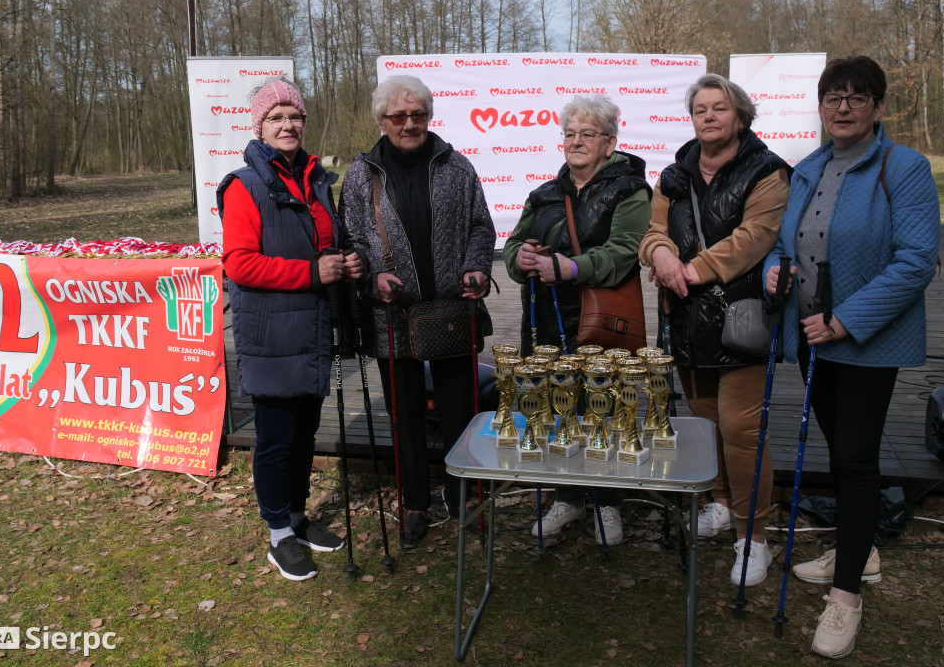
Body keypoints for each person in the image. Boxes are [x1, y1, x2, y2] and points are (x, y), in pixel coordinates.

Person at [764, 56, 939, 658]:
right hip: (814, 339)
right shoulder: (808, 168)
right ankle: (858, 551)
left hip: (864, 341)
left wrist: (845, 321)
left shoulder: (905, 167)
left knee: (859, 458)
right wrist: (773, 274)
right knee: (840, 450)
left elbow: (916, 261)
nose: (843, 107)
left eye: (857, 98)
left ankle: (846, 599)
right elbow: (783, 246)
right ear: (819, 107)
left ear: (878, 108)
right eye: (833, 97)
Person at [639, 73, 790, 585]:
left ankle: (754, 537)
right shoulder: (673, 176)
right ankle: (721, 503)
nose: (708, 116)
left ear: (741, 117)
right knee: (704, 426)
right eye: (700, 108)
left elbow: (754, 237)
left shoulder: (767, 172)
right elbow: (655, 232)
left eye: (719, 108)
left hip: (741, 321)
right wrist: (660, 254)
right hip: (685, 322)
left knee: (743, 432)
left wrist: (690, 270)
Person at [217, 76, 365, 581]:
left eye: (295, 115)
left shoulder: (317, 179)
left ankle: (298, 519)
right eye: (276, 116)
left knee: (304, 433)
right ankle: (278, 532)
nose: (288, 124)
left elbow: (328, 243)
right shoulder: (245, 185)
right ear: (259, 125)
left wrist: (348, 262)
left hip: (314, 329)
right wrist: (311, 273)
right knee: (277, 439)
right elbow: (239, 264)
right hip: (272, 335)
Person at [339, 75, 495, 549]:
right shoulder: (359, 177)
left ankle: (463, 494)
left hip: (452, 310)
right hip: (392, 316)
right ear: (381, 121)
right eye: (398, 116)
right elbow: (352, 243)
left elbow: (480, 228)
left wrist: (476, 268)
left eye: (418, 115)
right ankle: (415, 504)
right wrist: (370, 278)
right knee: (404, 416)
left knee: (461, 411)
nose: (409, 124)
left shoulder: (457, 167)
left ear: (429, 116)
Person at [503, 95, 651, 546]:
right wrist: (521, 257)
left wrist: (571, 268)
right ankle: (568, 496)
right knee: (555, 409)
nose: (577, 142)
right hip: (546, 323)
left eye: (588, 134)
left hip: (600, 323)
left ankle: (608, 502)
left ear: (610, 143)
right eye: (570, 134)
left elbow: (627, 249)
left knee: (603, 410)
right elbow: (511, 249)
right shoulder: (544, 193)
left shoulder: (630, 189)